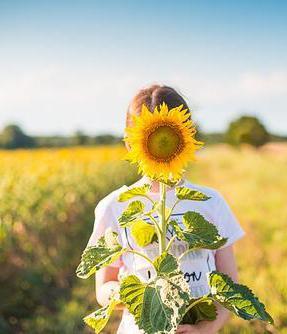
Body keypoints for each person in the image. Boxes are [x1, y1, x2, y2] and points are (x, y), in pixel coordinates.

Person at [86, 85, 245, 334]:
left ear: (187, 135)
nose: (162, 144)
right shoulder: (115, 206)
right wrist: (139, 295)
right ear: (130, 144)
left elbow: (231, 287)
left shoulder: (210, 202)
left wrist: (205, 329)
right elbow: (103, 287)